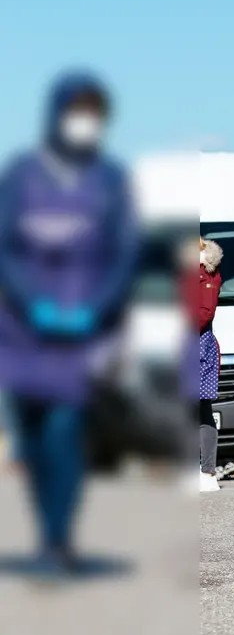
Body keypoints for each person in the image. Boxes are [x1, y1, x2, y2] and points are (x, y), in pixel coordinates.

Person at [0, 72, 138, 577]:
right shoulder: (22, 176)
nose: (85, 122)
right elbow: (5, 249)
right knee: (34, 436)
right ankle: (47, 529)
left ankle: (57, 539)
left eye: (93, 113)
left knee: (66, 430)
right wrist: (33, 304)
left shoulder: (110, 181)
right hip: (24, 332)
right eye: (77, 111)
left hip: (82, 335)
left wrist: (94, 309)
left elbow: (123, 254)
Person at [188, 237, 224, 492]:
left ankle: (207, 472)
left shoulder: (207, 271)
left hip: (196, 345)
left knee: (201, 409)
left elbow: (204, 312)